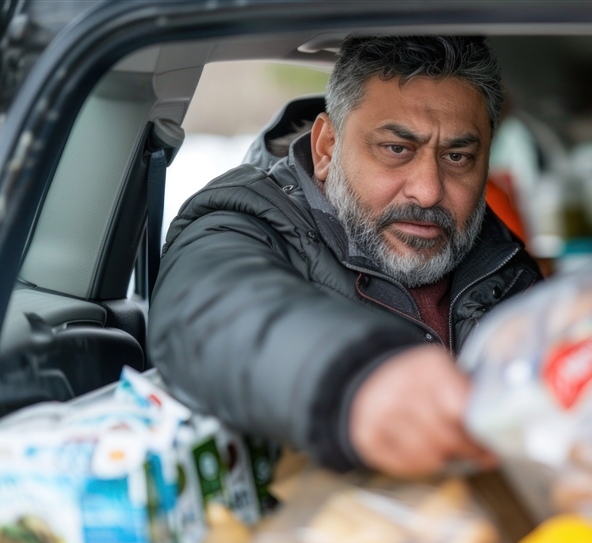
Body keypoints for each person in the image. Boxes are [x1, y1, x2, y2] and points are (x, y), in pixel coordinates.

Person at [148, 35, 543, 478]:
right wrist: (356, 379)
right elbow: (210, 311)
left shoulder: (506, 265)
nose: (428, 190)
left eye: (457, 156)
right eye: (396, 149)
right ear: (327, 148)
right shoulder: (243, 219)